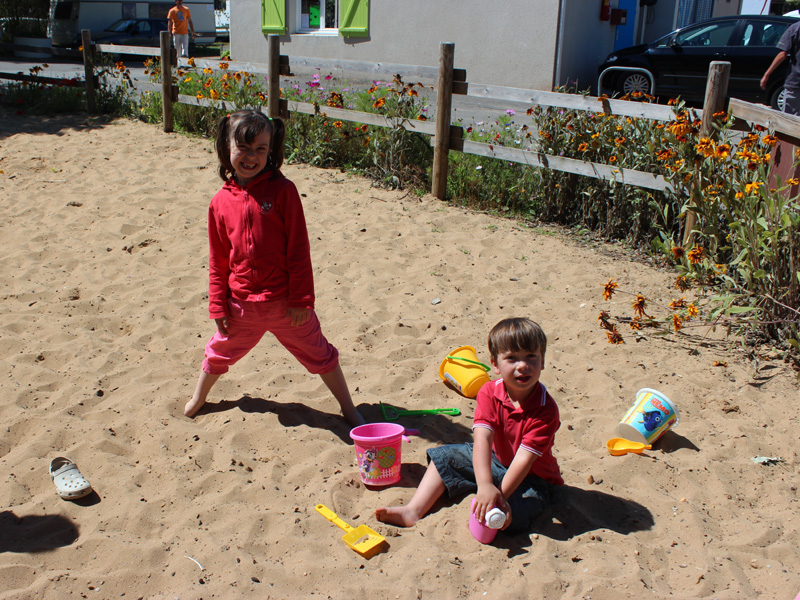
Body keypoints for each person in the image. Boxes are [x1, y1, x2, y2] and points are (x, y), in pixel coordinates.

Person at [184, 109, 366, 427]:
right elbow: (218, 261)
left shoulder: (283, 192)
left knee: (321, 354)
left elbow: (298, 249)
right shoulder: (219, 202)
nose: (251, 156)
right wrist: (217, 304)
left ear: (270, 150)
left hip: (287, 305)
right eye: (243, 147)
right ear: (226, 148)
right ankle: (199, 397)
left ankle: (348, 407)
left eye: (261, 148)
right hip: (240, 307)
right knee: (217, 353)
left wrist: (301, 300)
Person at [376, 317, 563, 534]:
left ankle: (498, 510)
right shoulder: (489, 392)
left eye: (531, 356)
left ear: (542, 361)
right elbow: (482, 439)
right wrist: (485, 485)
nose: (522, 366)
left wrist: (499, 497)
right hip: (496, 461)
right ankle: (413, 511)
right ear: (495, 364)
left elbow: (524, 459)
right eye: (511, 358)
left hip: (532, 478)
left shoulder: (545, 409)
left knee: (513, 513)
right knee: (445, 457)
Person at [760, 18, 800, 115]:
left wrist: (767, 74)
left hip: (796, 81)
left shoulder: (795, 28)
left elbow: (783, 53)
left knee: (789, 120)